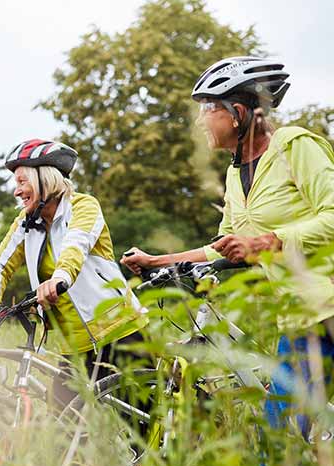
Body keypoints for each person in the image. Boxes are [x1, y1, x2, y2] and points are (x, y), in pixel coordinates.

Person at [120, 56, 334, 439]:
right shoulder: (236, 174)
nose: (201, 119)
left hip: (326, 308)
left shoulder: (294, 146)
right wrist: (160, 261)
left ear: (237, 112)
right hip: (298, 315)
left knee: (281, 432)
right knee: (279, 431)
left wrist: (269, 241)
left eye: (208, 108)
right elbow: (224, 246)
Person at [0, 139, 146, 408]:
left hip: (120, 334)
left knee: (139, 428)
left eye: (22, 182)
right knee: (64, 429)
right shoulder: (25, 223)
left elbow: (75, 246)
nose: (16, 192)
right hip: (73, 347)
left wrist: (60, 278)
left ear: (44, 179)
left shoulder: (83, 206)